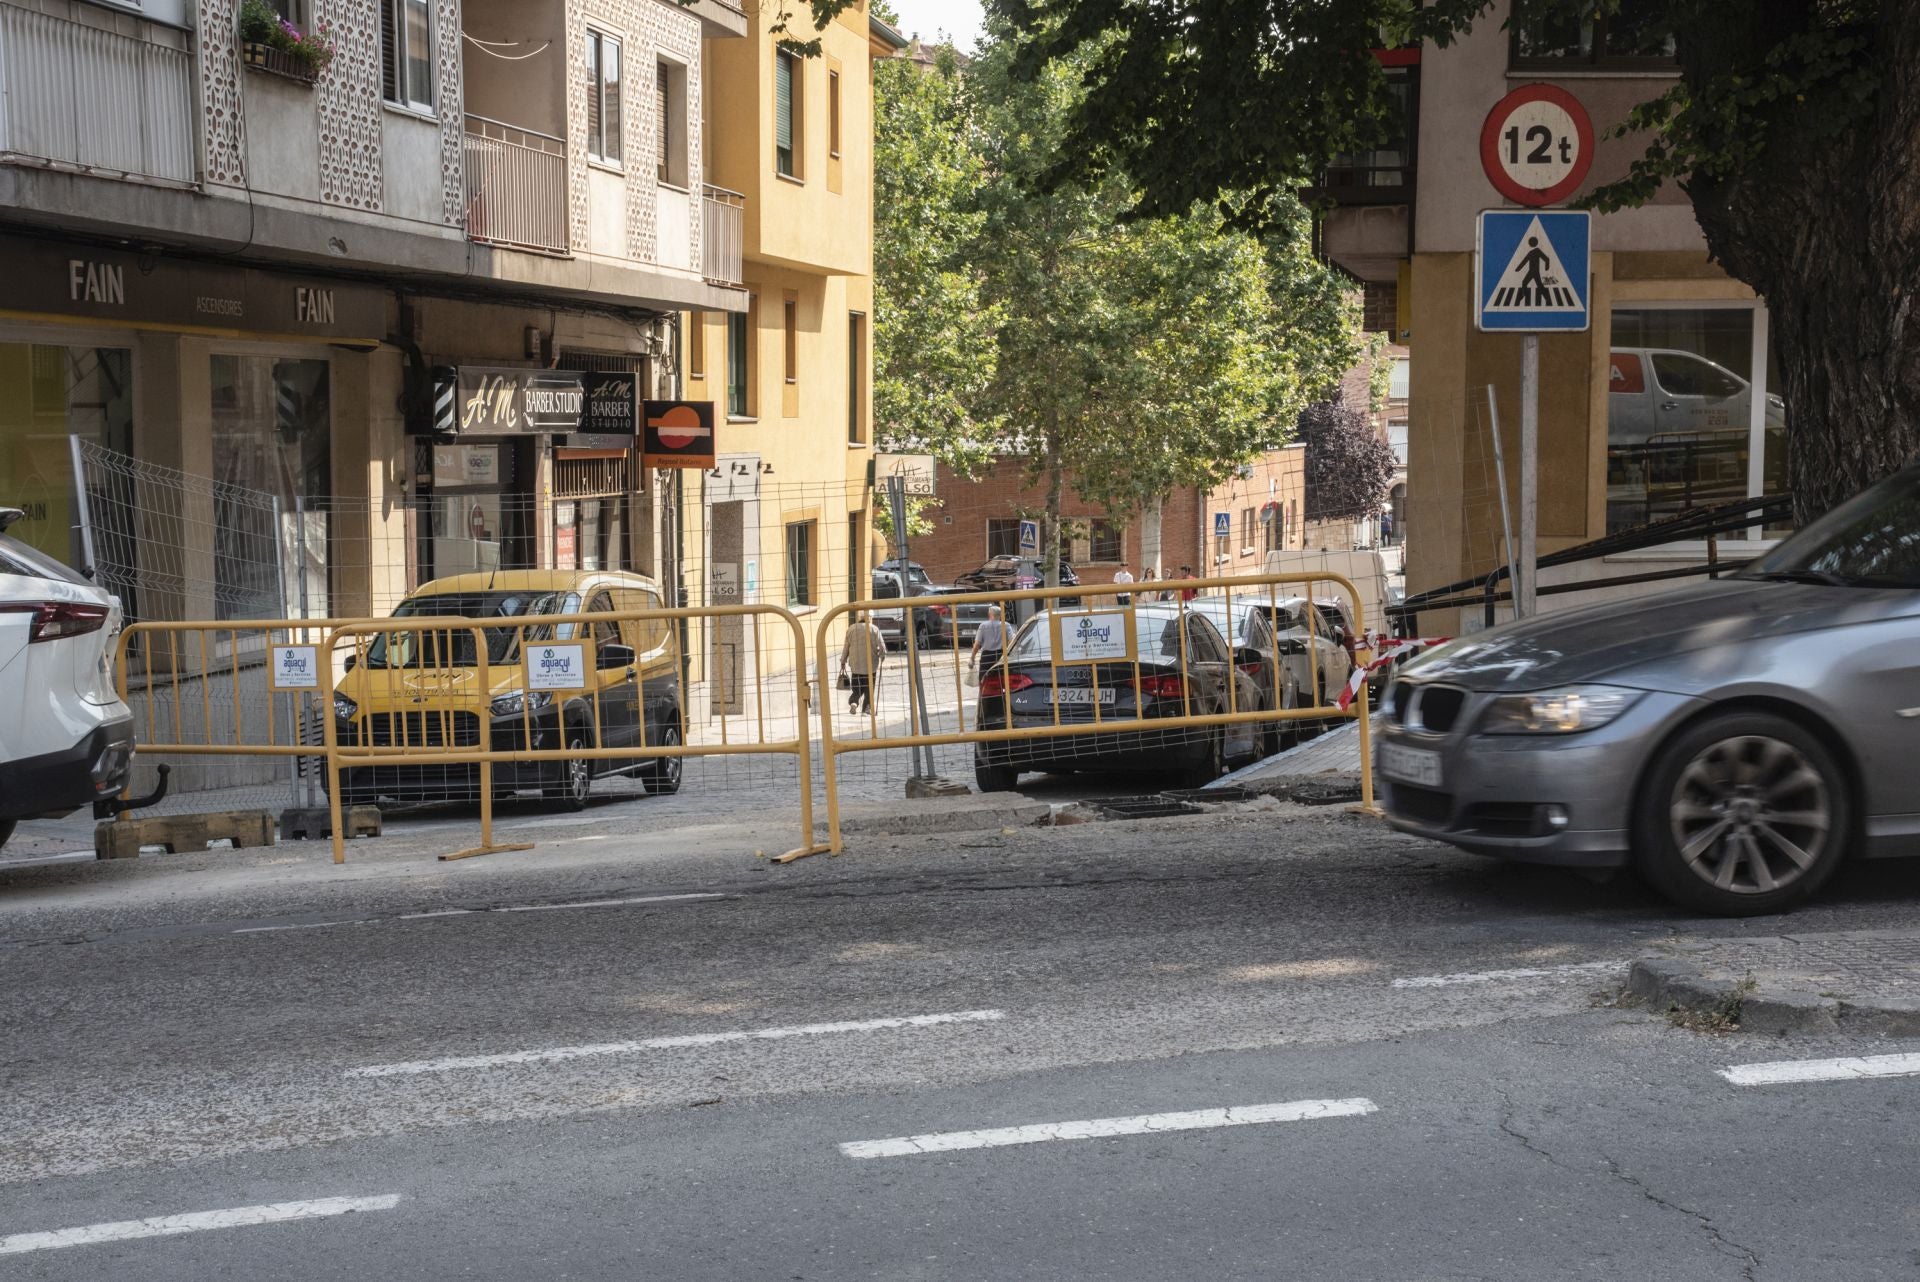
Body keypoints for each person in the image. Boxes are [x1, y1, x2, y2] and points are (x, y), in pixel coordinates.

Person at [840, 610, 886, 715]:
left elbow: (846, 647)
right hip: (871, 665)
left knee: (857, 687)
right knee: (869, 688)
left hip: (856, 664)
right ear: (870, 618)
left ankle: (854, 702)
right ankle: (866, 709)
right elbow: (882, 647)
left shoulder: (851, 628)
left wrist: (843, 660)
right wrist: (882, 655)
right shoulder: (874, 629)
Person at [970, 604, 1011, 681]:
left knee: (983, 680)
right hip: (1001, 655)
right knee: (1001, 679)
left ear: (989, 614)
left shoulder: (983, 626)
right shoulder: (1006, 625)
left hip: (986, 656)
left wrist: (972, 658)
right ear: (1000, 615)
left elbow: (977, 644)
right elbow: (1011, 641)